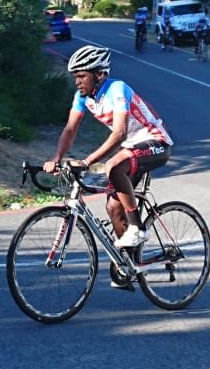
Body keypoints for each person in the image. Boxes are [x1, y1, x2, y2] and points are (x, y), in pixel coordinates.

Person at [44, 45, 173, 286]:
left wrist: (87, 161)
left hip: (156, 143)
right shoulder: (83, 98)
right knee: (113, 207)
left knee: (112, 166)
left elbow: (120, 133)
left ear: (100, 74)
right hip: (132, 150)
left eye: (82, 76)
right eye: (75, 77)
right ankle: (129, 264)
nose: (78, 82)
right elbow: (70, 129)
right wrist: (56, 158)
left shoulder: (117, 89)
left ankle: (138, 228)